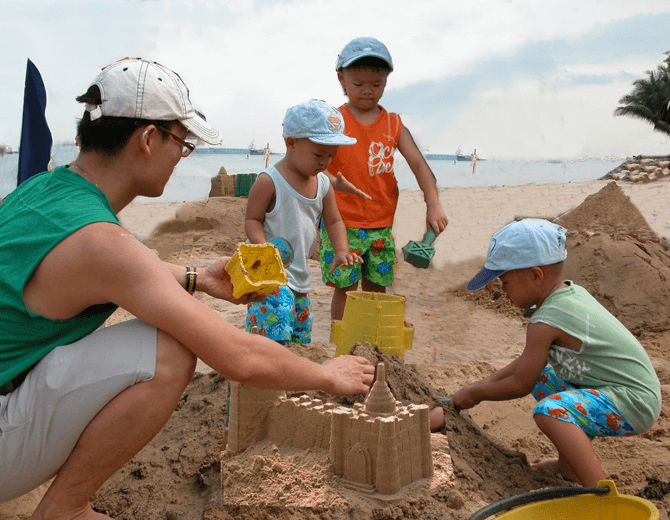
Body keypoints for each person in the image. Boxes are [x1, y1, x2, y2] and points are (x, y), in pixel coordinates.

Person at [0, 58, 374, 519]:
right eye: (184, 142)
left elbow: (94, 273)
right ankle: (65, 509)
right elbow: (239, 356)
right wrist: (327, 375)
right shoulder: (101, 241)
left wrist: (199, 278)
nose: (182, 156)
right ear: (149, 139)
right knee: (170, 348)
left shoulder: (42, 191)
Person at [449, 218, 661, 487]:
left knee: (550, 410)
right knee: (544, 376)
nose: (503, 291)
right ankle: (568, 468)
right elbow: (528, 363)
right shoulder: (568, 296)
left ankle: (601, 494)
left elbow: (520, 384)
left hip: (634, 403)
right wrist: (482, 383)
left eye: (505, 282)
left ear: (536, 275)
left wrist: (476, 394)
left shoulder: (545, 320)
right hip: (625, 390)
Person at [320, 36, 449, 321]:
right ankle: (341, 343)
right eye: (358, 85)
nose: (367, 91)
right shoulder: (334, 122)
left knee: (377, 287)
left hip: (380, 224)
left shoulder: (393, 124)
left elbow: (419, 165)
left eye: (376, 85)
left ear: (386, 81)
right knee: (345, 287)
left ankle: (372, 343)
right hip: (342, 223)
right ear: (342, 79)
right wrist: (331, 180)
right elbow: (315, 165)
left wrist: (433, 204)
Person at [244, 100, 362, 344]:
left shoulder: (323, 184)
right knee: (271, 337)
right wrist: (264, 248)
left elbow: (335, 221)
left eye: (331, 156)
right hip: (270, 276)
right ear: (291, 143)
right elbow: (252, 220)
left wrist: (341, 250)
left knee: (300, 333)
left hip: (301, 277)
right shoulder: (269, 180)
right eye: (318, 154)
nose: (324, 163)